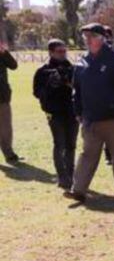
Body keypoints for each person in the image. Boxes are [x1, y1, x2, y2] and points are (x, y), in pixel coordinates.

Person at [66, 23, 114, 203]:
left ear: (101, 38)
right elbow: (76, 90)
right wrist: (78, 111)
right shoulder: (82, 62)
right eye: (85, 37)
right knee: (88, 154)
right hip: (90, 118)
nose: (87, 40)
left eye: (91, 36)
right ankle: (78, 189)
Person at [32, 39, 77, 190]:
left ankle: (71, 175)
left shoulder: (72, 68)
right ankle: (62, 177)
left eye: (65, 51)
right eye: (60, 51)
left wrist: (68, 82)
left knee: (71, 145)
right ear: (51, 52)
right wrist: (50, 85)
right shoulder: (42, 71)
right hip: (54, 112)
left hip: (72, 112)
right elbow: (37, 93)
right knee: (59, 144)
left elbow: (78, 88)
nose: (63, 54)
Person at [0, 39, 20, 163]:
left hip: (2, 96)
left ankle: (9, 153)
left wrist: (4, 52)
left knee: (6, 127)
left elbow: (13, 66)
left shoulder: (1, 54)